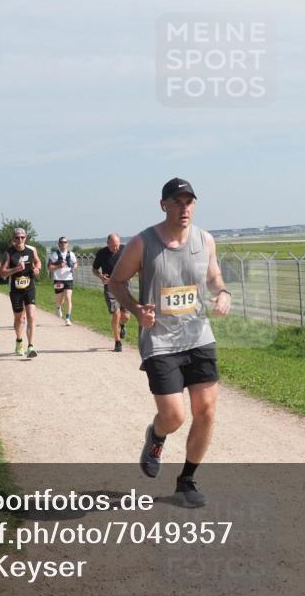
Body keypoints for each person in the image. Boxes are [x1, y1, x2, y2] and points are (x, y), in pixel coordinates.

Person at [109, 179, 231, 508]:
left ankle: (187, 481)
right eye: (177, 202)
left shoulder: (205, 240)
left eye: (189, 201)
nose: (184, 208)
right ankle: (157, 436)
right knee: (174, 416)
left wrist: (222, 292)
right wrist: (135, 309)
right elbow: (117, 282)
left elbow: (214, 276)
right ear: (163, 205)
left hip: (198, 335)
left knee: (205, 411)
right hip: (160, 339)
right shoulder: (143, 243)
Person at [1, 228, 42, 358]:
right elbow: (3, 272)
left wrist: (37, 268)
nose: (20, 240)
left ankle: (31, 346)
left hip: (29, 287)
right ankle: (19, 341)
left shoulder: (31, 250)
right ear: (13, 238)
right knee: (19, 318)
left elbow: (38, 261)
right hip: (15, 289)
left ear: (26, 238)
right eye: (17, 237)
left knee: (31, 315)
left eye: (22, 237)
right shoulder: (9, 253)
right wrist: (16, 269)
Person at [92, 233, 132, 352]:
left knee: (126, 316)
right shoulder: (101, 253)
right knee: (116, 314)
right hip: (109, 286)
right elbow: (94, 270)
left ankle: (122, 326)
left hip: (124, 285)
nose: (116, 248)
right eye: (113, 246)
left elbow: (134, 263)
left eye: (117, 245)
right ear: (108, 243)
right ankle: (117, 342)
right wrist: (101, 277)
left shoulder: (125, 250)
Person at [48, 236, 77, 326]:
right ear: (59, 244)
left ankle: (68, 318)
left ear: (67, 244)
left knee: (68, 297)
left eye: (65, 242)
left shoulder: (71, 254)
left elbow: (75, 263)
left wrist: (74, 267)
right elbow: (49, 268)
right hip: (58, 279)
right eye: (61, 242)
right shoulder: (54, 255)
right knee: (60, 298)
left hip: (68, 279)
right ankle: (58, 307)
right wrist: (58, 266)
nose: (63, 244)